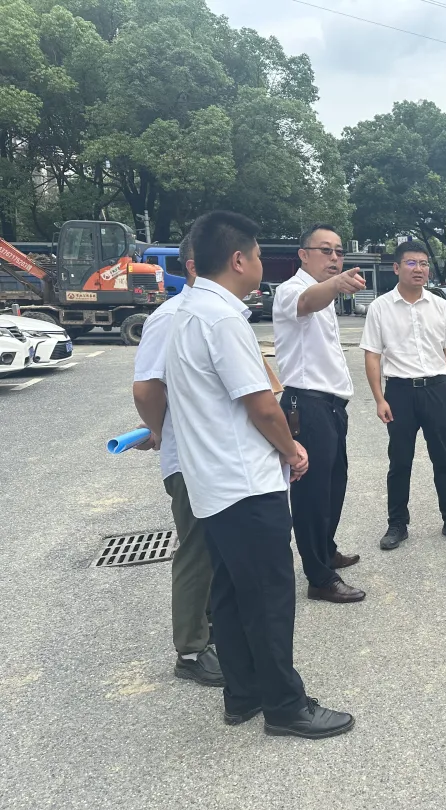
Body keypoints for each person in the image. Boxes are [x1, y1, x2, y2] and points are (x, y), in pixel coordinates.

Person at [166, 211, 353, 738]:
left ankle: (242, 693)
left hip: (210, 482)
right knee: (270, 597)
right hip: (245, 482)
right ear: (238, 259)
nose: (258, 265)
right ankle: (286, 707)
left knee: (228, 594)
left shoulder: (184, 312)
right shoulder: (224, 319)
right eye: (254, 254)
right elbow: (260, 403)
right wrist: (291, 447)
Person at [132, 235, 223, 688]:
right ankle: (190, 650)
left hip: (212, 454)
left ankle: (211, 630)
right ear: (194, 266)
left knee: (216, 548)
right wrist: (158, 430)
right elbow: (147, 388)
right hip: (188, 458)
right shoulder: (169, 318)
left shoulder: (213, 314)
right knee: (197, 549)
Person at [273, 224, 366, 604]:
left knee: (334, 486)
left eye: (339, 251)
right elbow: (307, 302)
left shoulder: (326, 296)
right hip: (305, 405)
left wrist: (335, 287)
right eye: (325, 250)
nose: (333, 257)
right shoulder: (292, 291)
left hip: (331, 406)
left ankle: (325, 550)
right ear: (303, 254)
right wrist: (337, 284)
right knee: (311, 494)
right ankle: (318, 577)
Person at [361, 241, 446, 550]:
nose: (419, 268)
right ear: (396, 268)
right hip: (399, 392)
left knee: (443, 459)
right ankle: (397, 524)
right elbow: (372, 357)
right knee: (399, 461)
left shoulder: (440, 306)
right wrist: (379, 399)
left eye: (423, 263)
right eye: (411, 263)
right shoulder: (380, 307)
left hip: (436, 390)